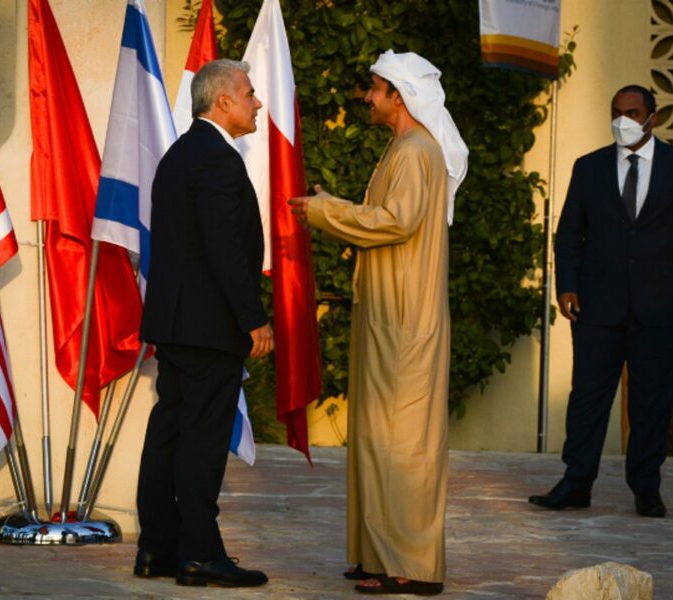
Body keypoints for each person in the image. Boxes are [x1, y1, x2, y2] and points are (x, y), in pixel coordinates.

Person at [289, 50, 468, 596]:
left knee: (403, 444)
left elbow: (397, 223)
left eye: (374, 89)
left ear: (400, 95)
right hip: (389, 316)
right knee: (375, 437)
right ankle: (376, 554)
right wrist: (333, 208)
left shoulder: (416, 152)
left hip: (406, 321)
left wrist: (327, 212)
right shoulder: (404, 148)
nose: (366, 98)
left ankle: (411, 564)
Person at [135, 59, 273, 588]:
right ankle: (199, 554)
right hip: (209, 327)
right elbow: (224, 250)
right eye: (249, 94)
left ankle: (157, 550)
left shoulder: (180, 154)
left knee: (170, 432)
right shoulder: (216, 160)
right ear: (223, 102)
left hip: (175, 325)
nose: (256, 102)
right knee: (201, 441)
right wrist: (253, 319)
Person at [529, 85, 673, 518]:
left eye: (633, 113)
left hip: (662, 307)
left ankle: (646, 488)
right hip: (597, 307)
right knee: (588, 398)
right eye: (617, 112)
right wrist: (566, 286)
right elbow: (569, 235)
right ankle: (575, 483)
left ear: (653, 117)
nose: (624, 120)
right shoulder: (590, 167)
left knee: (652, 401)